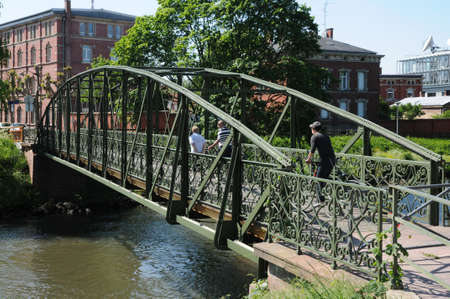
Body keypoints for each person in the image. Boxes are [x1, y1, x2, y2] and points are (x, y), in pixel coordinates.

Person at [305, 121, 336, 202]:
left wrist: (308, 159)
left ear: (313, 129)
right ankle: (325, 195)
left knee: (318, 180)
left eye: (311, 128)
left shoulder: (314, 137)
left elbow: (312, 150)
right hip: (332, 160)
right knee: (323, 179)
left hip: (325, 161)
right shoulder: (325, 136)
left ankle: (320, 200)